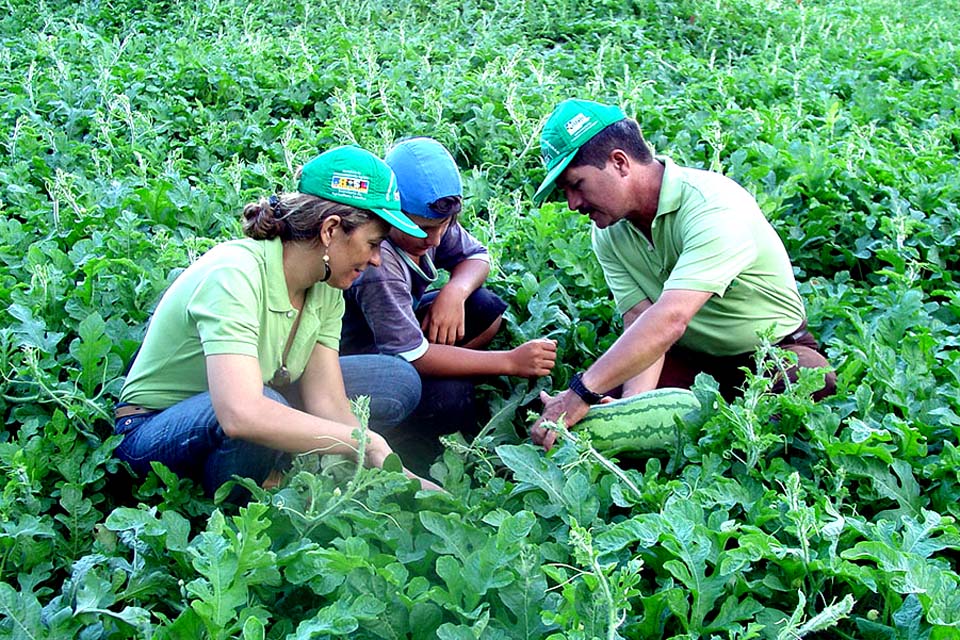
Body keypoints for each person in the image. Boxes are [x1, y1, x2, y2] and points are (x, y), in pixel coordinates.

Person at [114, 145, 440, 500]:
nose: (377, 260)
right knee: (262, 407)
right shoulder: (234, 275)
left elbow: (327, 402)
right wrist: (362, 442)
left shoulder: (326, 286)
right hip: (153, 429)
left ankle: (276, 464)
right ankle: (233, 507)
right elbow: (240, 414)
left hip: (247, 400)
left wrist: (404, 479)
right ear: (331, 230)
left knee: (394, 380)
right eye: (373, 243)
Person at [529, 99, 836, 450]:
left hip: (771, 352)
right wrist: (631, 407)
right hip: (686, 357)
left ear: (619, 162)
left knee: (810, 380)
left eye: (576, 185)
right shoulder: (608, 232)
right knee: (597, 411)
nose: (572, 204)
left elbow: (670, 318)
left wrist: (581, 390)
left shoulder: (713, 205)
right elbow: (641, 321)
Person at [340, 137, 557, 458]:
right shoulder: (380, 266)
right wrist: (510, 362)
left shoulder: (430, 223)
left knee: (485, 307)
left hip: (403, 329)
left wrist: (454, 292)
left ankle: (450, 366)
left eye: (443, 226)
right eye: (424, 228)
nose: (436, 238)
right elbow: (410, 357)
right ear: (391, 213)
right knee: (450, 396)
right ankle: (411, 439)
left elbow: (478, 258)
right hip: (366, 355)